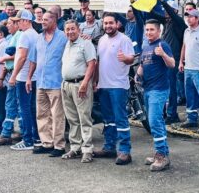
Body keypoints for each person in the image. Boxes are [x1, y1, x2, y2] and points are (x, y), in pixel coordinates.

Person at [94, 13, 135, 165]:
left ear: (117, 24)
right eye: (105, 23)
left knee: (120, 119)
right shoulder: (102, 40)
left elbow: (131, 58)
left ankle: (125, 151)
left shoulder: (124, 39)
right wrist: (96, 81)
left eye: (111, 23)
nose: (108, 26)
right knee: (108, 120)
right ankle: (109, 147)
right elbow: (98, 62)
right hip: (103, 86)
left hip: (118, 86)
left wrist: (126, 59)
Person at [137, 19, 176, 172]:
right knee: (155, 121)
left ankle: (161, 156)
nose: (148, 32)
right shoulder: (146, 46)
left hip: (159, 90)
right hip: (147, 89)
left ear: (159, 31)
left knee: (154, 121)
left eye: (151, 30)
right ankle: (162, 153)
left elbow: (172, 64)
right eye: (147, 30)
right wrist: (138, 76)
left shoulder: (162, 45)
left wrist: (163, 55)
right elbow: (142, 64)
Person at [28, 11, 68, 157]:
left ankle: (59, 146)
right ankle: (47, 143)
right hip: (40, 82)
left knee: (57, 116)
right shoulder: (39, 38)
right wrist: (29, 78)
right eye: (42, 20)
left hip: (56, 82)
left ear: (54, 21)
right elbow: (33, 59)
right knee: (42, 114)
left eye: (46, 20)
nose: (42, 22)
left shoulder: (63, 37)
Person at [60, 20, 97, 162]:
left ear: (78, 30)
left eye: (72, 29)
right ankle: (75, 148)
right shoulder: (67, 45)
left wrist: (85, 83)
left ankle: (87, 150)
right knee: (72, 119)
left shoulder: (85, 44)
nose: (70, 32)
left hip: (80, 84)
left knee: (84, 118)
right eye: (67, 29)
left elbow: (92, 64)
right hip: (67, 85)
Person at [7, 10, 40, 151]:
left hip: (23, 77)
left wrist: (14, 75)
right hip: (33, 77)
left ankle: (27, 140)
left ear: (26, 21)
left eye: (19, 21)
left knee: (24, 109)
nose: (17, 23)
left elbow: (21, 57)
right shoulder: (36, 35)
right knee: (31, 108)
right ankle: (36, 137)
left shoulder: (25, 36)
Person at [0, 14, 23, 145]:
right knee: (11, 105)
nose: (7, 26)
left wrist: (5, 59)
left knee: (15, 105)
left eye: (10, 23)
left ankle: (15, 132)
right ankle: (9, 132)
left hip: (17, 74)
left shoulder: (20, 36)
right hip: (11, 73)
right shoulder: (12, 37)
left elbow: (21, 55)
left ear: (17, 24)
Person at [179, 9, 199, 134]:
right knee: (190, 95)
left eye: (191, 17)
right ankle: (191, 118)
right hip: (188, 68)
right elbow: (184, 46)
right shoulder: (186, 31)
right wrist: (181, 61)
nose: (188, 18)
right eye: (187, 16)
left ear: (198, 18)